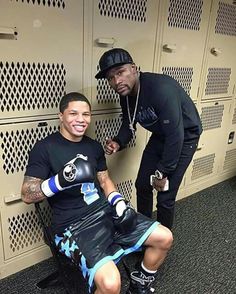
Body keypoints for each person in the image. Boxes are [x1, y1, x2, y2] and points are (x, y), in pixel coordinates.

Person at [21, 92, 173, 294]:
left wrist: (119, 204)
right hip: (72, 225)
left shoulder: (93, 146)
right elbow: (27, 194)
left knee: (164, 237)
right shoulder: (44, 148)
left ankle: (139, 284)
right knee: (111, 284)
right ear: (61, 116)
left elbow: (104, 179)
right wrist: (60, 181)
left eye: (86, 114)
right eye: (73, 113)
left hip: (104, 212)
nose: (81, 120)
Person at [95, 48, 202, 230]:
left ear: (134, 69)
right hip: (161, 135)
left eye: (120, 72)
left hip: (185, 137)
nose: (116, 81)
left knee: (165, 194)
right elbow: (128, 124)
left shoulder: (161, 89)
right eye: (110, 78)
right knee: (142, 184)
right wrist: (118, 142)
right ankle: (144, 232)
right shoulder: (126, 94)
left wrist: (162, 172)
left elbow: (176, 136)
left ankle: (162, 242)